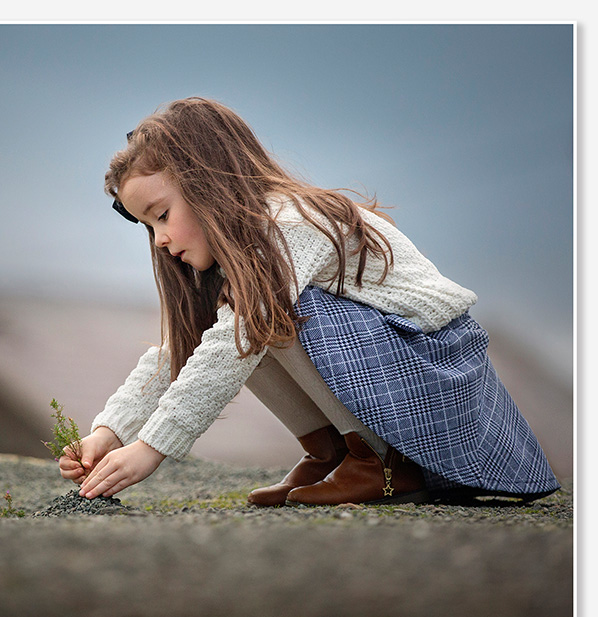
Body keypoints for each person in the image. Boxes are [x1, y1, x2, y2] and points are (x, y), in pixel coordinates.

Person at [58, 97, 560, 506]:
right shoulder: (240, 255)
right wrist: (111, 432)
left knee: (256, 321)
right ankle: (334, 453)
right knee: (230, 326)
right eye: (148, 227)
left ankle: (380, 461)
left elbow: (233, 343)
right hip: (400, 379)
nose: (161, 239)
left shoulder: (288, 224)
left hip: (437, 378)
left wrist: (152, 447)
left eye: (162, 214)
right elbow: (186, 351)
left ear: (207, 184)